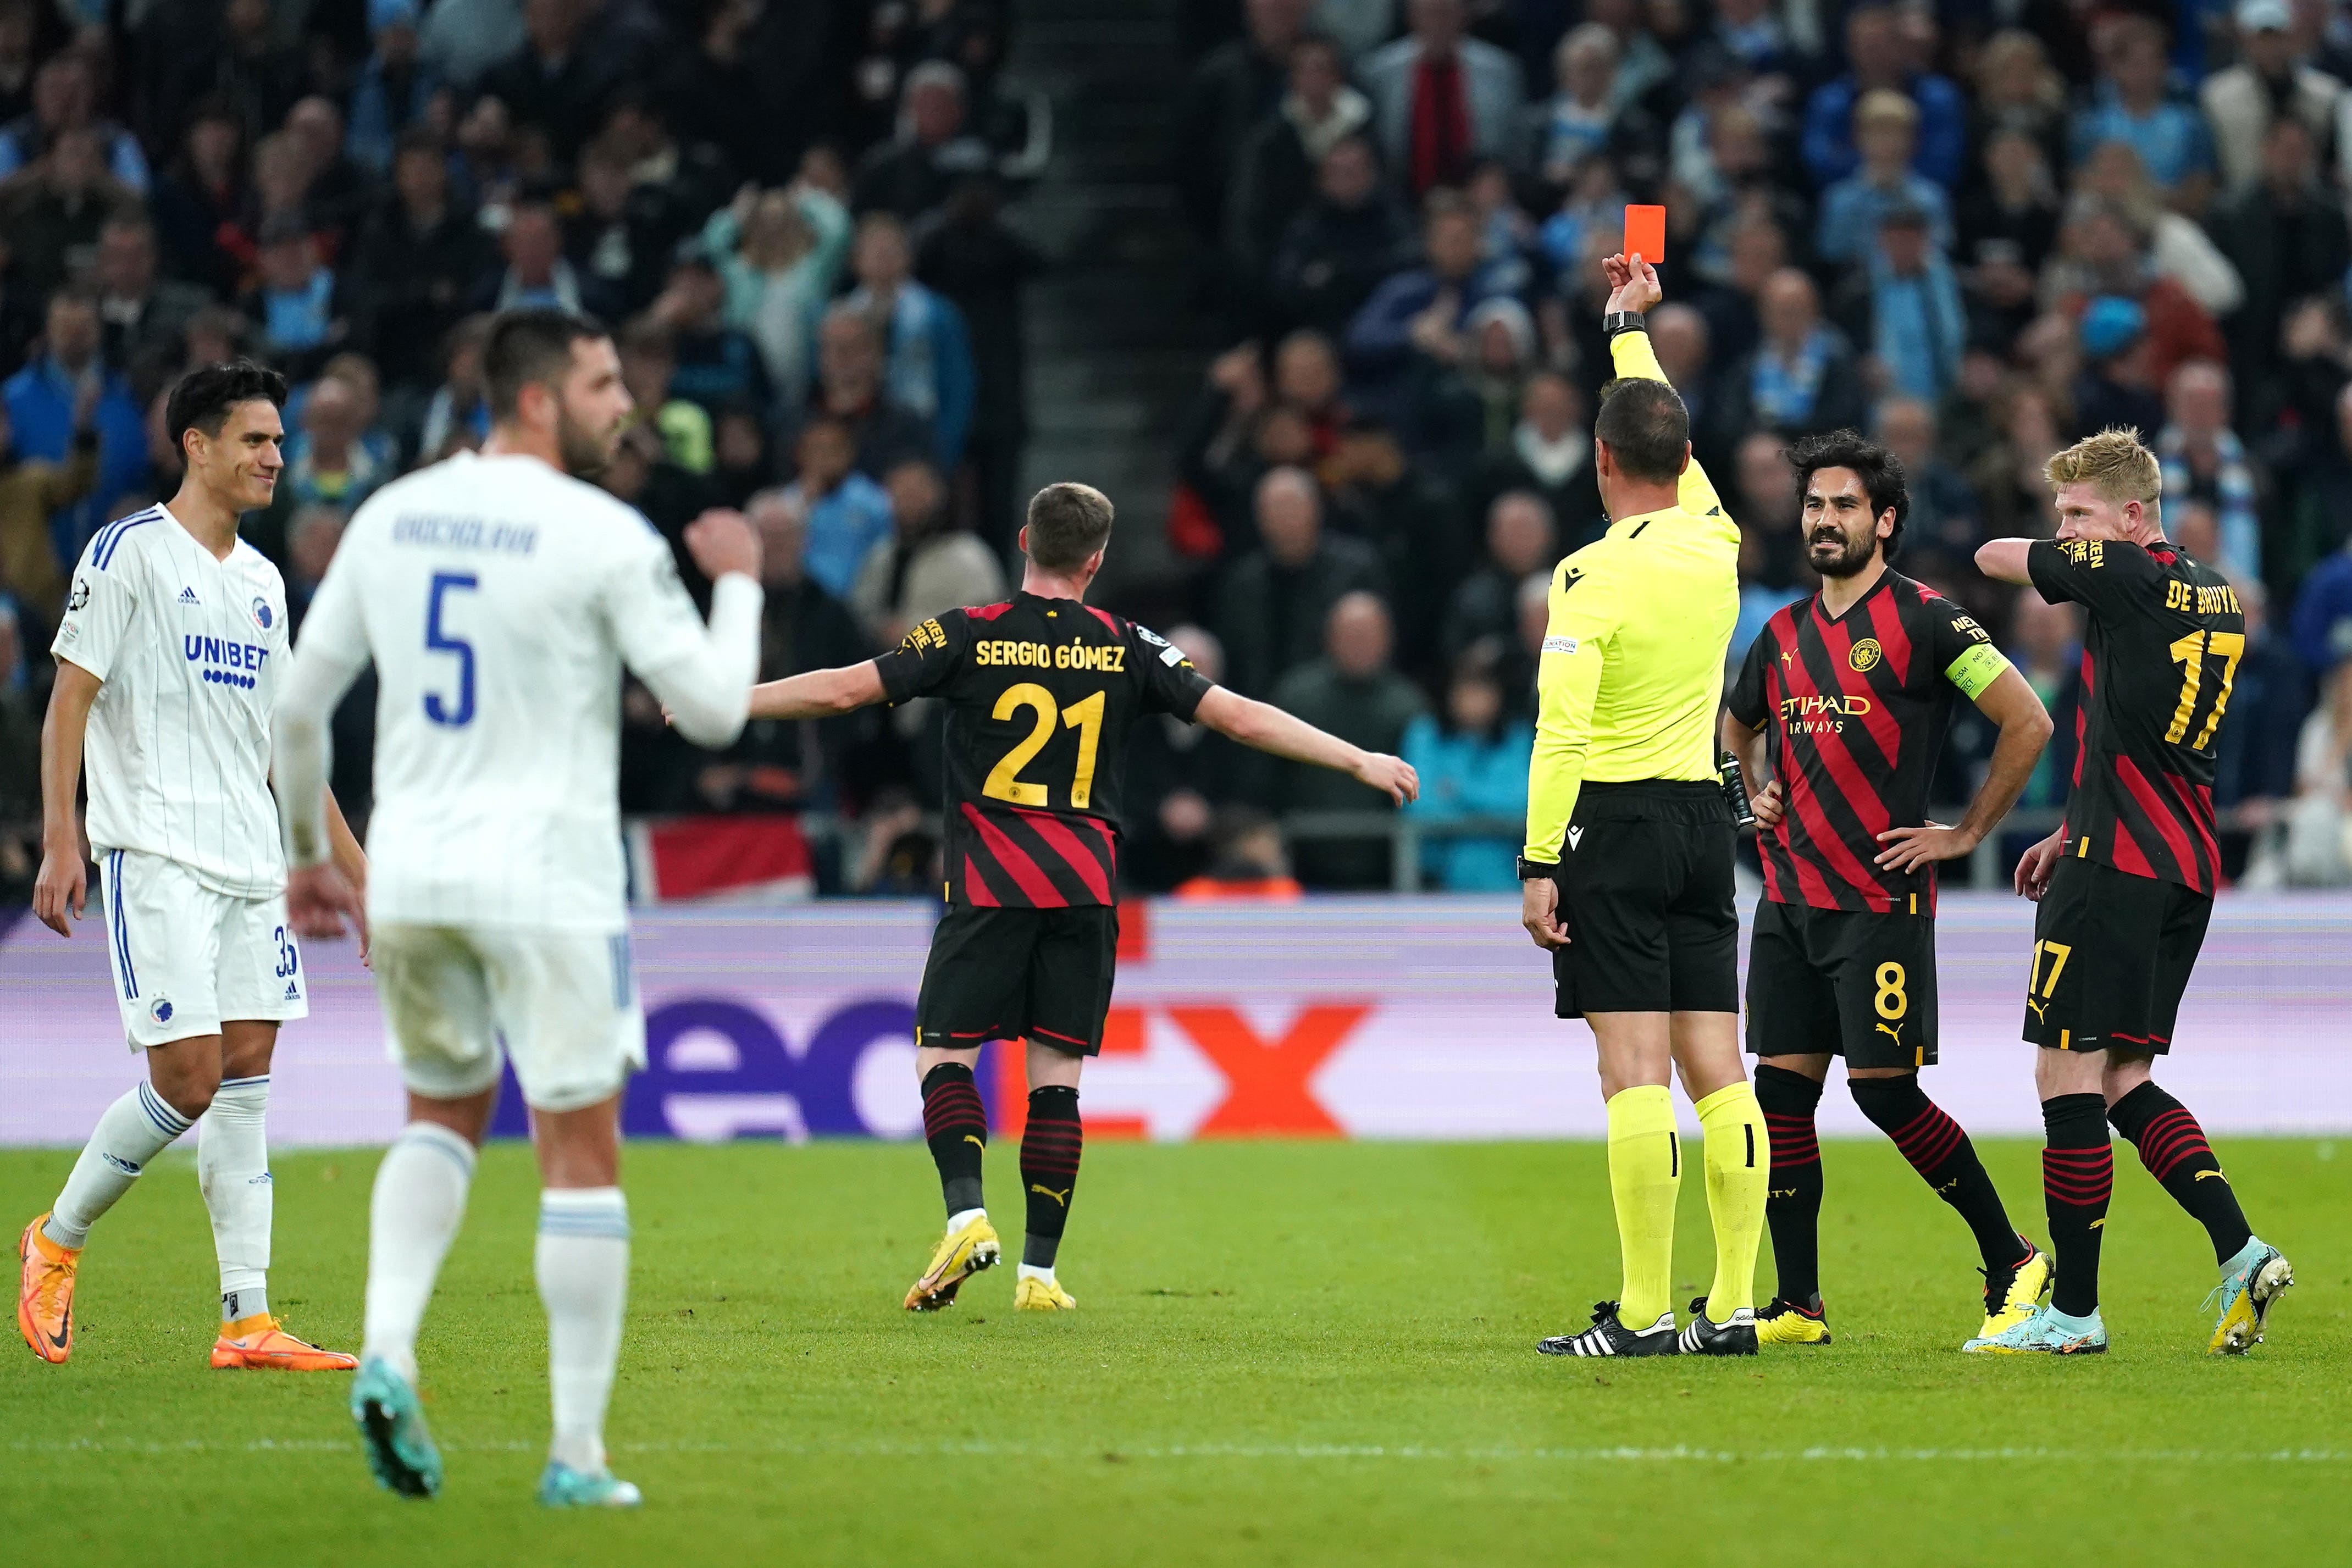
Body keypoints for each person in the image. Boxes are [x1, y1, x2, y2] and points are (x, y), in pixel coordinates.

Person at [272, 309, 767, 1506]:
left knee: (438, 1111)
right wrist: (741, 581)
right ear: (537, 399)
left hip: (416, 873)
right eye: (603, 384)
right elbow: (710, 709)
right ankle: (576, 1455)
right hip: (550, 881)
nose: (624, 405)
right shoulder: (604, 531)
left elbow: (294, 711)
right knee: (579, 1155)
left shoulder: (390, 515)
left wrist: (308, 857)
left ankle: (386, 1348)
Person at [730, 481, 1416, 1315]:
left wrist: (734, 700)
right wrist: (1357, 759)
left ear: (1025, 539)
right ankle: (1040, 1275)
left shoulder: (969, 634)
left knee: (945, 1055)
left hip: (990, 883)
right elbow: (1237, 716)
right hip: (1087, 889)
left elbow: (844, 690)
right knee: (1056, 1079)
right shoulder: (1128, 644)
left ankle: (966, 1217)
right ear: (1097, 559)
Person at [16, 361, 369, 1373]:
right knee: (186, 1078)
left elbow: (283, 748)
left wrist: (355, 868)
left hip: (252, 865)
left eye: (278, 439)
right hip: (157, 853)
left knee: (248, 1077)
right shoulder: (127, 553)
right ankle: (57, 1237)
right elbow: (69, 699)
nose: (276, 456)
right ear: (198, 444)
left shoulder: (261, 584)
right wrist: (61, 834)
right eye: (255, 440)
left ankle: (245, 1319)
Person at [1719, 430, 2056, 1350]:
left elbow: (2027, 719)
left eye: (1845, 506)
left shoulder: (1931, 621)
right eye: (1815, 504)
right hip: (1788, 902)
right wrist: (1753, 782)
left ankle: (2014, 1257)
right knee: (1781, 1098)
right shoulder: (1781, 634)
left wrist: (1967, 832)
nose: (1825, 520)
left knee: (1884, 1094)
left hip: (1880, 903)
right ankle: (1798, 1306)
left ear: (1886, 520)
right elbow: (1733, 721)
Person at [1969, 430, 2292, 1355]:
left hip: (2118, 869)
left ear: (2133, 517)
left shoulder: (2129, 576)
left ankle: (2072, 1312)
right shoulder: (2216, 594)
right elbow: (2149, 730)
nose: (2065, 530)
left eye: (2078, 515)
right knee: (2123, 1080)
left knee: (2063, 1074)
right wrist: (2071, 826)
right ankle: (2241, 1249)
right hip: (2181, 864)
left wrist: (2060, 552)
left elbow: (1997, 560)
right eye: (2062, 516)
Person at [1518, 251, 1767, 1358]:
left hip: (1611, 824)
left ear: (1600, 460)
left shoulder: (1587, 574)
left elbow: (1561, 729)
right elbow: (1668, 437)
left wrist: (1537, 863)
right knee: (1719, 1070)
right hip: (1702, 828)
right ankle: (1736, 1305)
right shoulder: (1716, 541)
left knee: (1630, 1072)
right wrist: (1628, 328)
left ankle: (1643, 1311)